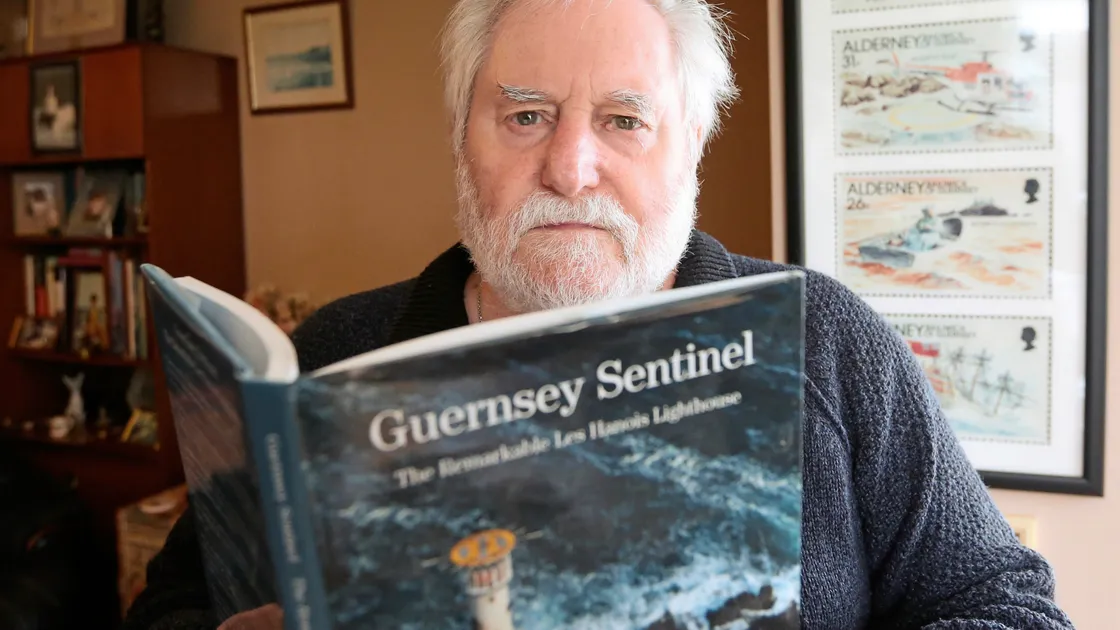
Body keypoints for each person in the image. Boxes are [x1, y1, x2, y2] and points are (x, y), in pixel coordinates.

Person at [121, 0, 1074, 628]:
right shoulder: (335, 352)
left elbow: (1006, 604)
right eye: (526, 115)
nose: (571, 169)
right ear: (462, 139)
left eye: (624, 120)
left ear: (691, 142)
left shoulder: (824, 338)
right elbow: (171, 604)